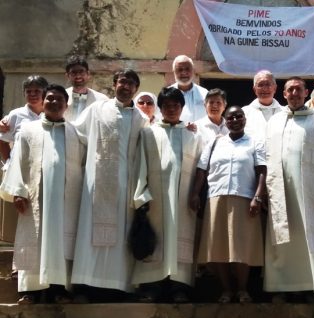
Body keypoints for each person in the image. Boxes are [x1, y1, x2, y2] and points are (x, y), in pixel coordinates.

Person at [0, 84, 85, 304]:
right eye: (50, 99)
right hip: (35, 198)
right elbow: (17, 160)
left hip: (68, 201)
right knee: (33, 242)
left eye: (59, 99)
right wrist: (18, 192)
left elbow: (85, 167)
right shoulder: (29, 130)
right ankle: (30, 291)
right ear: (43, 102)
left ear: (66, 105)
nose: (54, 102)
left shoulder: (75, 132)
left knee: (62, 243)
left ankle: (60, 290)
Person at [71, 69, 149, 300]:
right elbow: (75, 134)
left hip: (125, 186)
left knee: (120, 238)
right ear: (114, 84)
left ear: (136, 88)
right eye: (122, 82)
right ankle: (85, 286)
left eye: (131, 83)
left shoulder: (141, 119)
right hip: (96, 184)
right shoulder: (96, 109)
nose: (126, 86)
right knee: (90, 233)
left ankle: (118, 287)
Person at [264, 77, 314, 303]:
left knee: (311, 238)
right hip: (280, 190)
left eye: (299, 89)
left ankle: (313, 288)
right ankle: (284, 287)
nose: (295, 93)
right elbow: (266, 155)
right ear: (284, 94)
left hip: (309, 192)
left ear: (307, 93)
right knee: (283, 238)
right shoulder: (275, 121)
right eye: (290, 90)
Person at [132, 87, 203, 303]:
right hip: (156, 200)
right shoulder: (148, 133)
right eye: (167, 106)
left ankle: (179, 287)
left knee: (181, 242)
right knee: (157, 242)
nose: (172, 109)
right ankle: (152, 287)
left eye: (176, 105)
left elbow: (201, 165)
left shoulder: (193, 135)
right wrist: (141, 196)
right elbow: (140, 165)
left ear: (182, 108)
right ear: (161, 109)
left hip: (184, 202)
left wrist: (197, 194)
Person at [190, 106, 266, 303]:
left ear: (244, 119)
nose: (235, 120)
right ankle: (226, 290)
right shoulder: (215, 142)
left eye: (239, 117)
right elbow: (201, 170)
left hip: (244, 198)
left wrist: (257, 197)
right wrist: (196, 193)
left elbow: (262, 171)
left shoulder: (254, 142)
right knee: (218, 247)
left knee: (242, 247)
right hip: (216, 198)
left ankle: (242, 289)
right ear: (225, 120)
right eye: (231, 117)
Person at [0, 75, 48, 162]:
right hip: (21, 168)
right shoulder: (16, 115)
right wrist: (9, 164)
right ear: (24, 93)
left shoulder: (53, 114)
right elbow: (3, 141)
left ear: (45, 93)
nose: (32, 94)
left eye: (37, 91)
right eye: (28, 91)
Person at [64, 55, 109, 122]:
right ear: (67, 76)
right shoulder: (61, 98)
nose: (78, 76)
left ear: (88, 74)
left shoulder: (101, 100)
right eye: (74, 72)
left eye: (81, 72)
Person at [242, 70, 282, 142]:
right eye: (260, 85)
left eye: (268, 84)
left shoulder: (285, 112)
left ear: (275, 88)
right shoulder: (244, 113)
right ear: (254, 89)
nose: (264, 88)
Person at [169, 55, 208, 124]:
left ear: (193, 70)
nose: (184, 72)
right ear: (174, 71)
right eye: (180, 69)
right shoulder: (167, 94)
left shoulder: (205, 93)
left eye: (187, 69)